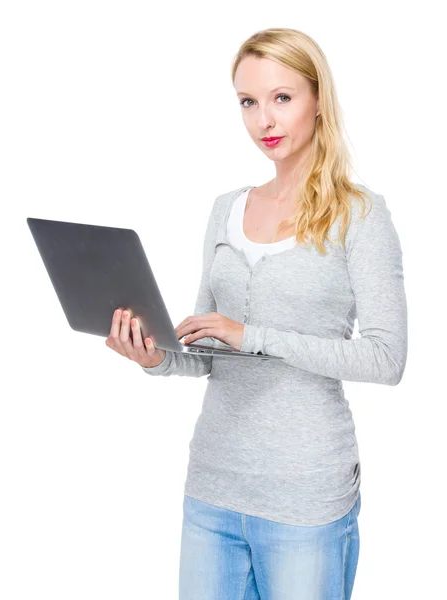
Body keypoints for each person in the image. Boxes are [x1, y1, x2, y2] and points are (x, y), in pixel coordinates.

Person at [105, 27, 408, 600]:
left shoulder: (361, 215)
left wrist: (257, 336)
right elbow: (207, 349)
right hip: (213, 491)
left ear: (318, 100)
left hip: (305, 498)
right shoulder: (226, 208)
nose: (263, 120)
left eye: (282, 98)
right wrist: (153, 355)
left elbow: (387, 359)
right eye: (248, 102)